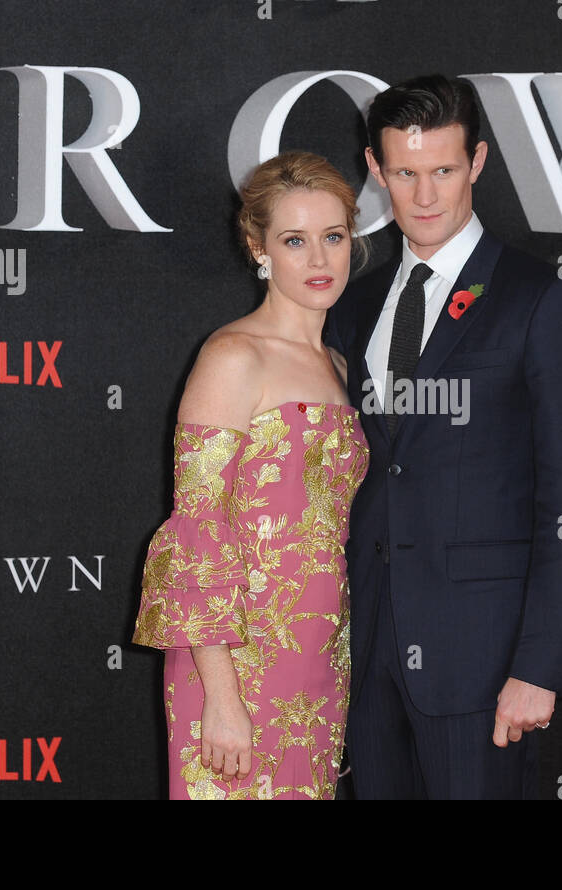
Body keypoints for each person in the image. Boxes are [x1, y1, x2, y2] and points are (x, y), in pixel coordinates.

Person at [327, 74, 562, 799]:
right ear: (377, 170)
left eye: (444, 171)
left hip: (483, 664)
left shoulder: (538, 298)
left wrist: (539, 666)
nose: (425, 197)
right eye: (406, 174)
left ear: (477, 162)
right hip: (366, 656)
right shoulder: (354, 308)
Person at [133, 151, 370, 800]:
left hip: (321, 660)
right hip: (236, 663)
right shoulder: (233, 357)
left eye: (333, 237)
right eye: (295, 241)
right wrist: (221, 697)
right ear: (257, 246)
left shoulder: (343, 369)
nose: (319, 261)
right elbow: (195, 534)